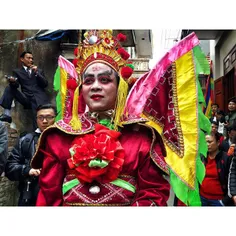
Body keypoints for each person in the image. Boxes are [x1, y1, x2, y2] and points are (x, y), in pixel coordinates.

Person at [31, 30, 210, 206]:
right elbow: (48, 198)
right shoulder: (58, 137)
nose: (95, 87)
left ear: (120, 86)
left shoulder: (142, 137)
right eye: (88, 81)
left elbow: (152, 193)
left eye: (104, 80)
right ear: (79, 88)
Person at [5, 104, 56, 206]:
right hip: (31, 194)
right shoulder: (26, 141)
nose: (44, 121)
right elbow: (10, 168)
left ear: (56, 118)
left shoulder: (64, 140)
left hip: (57, 195)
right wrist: (27, 170)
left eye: (49, 117)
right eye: (41, 117)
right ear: (36, 119)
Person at [0, 51, 49, 129]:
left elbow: (45, 84)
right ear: (22, 59)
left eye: (32, 58)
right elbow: (15, 86)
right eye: (28, 58)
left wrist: (37, 73)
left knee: (37, 122)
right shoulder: (17, 71)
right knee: (9, 88)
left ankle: (39, 138)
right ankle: (7, 114)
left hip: (39, 99)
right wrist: (13, 81)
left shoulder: (39, 70)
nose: (31, 60)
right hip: (26, 98)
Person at [200, 132, 233, 206]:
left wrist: (224, 201)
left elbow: (231, 180)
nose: (207, 145)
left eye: (210, 142)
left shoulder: (226, 158)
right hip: (202, 198)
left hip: (218, 200)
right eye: (205, 142)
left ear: (218, 143)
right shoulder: (202, 157)